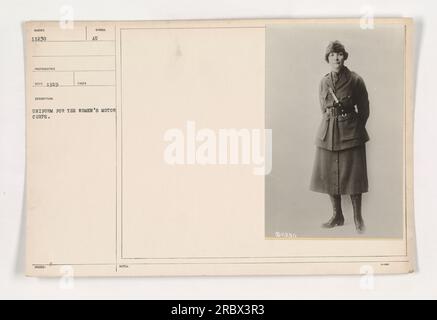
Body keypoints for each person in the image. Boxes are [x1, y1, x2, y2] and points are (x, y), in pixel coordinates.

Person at [310, 40, 370, 233]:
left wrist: (354, 127)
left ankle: (358, 218)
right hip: (328, 132)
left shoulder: (355, 79)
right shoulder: (323, 81)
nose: (336, 58)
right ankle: (337, 216)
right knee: (329, 174)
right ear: (327, 58)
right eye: (332, 55)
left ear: (345, 56)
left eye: (339, 54)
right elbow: (323, 108)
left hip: (350, 132)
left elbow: (365, 109)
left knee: (354, 175)